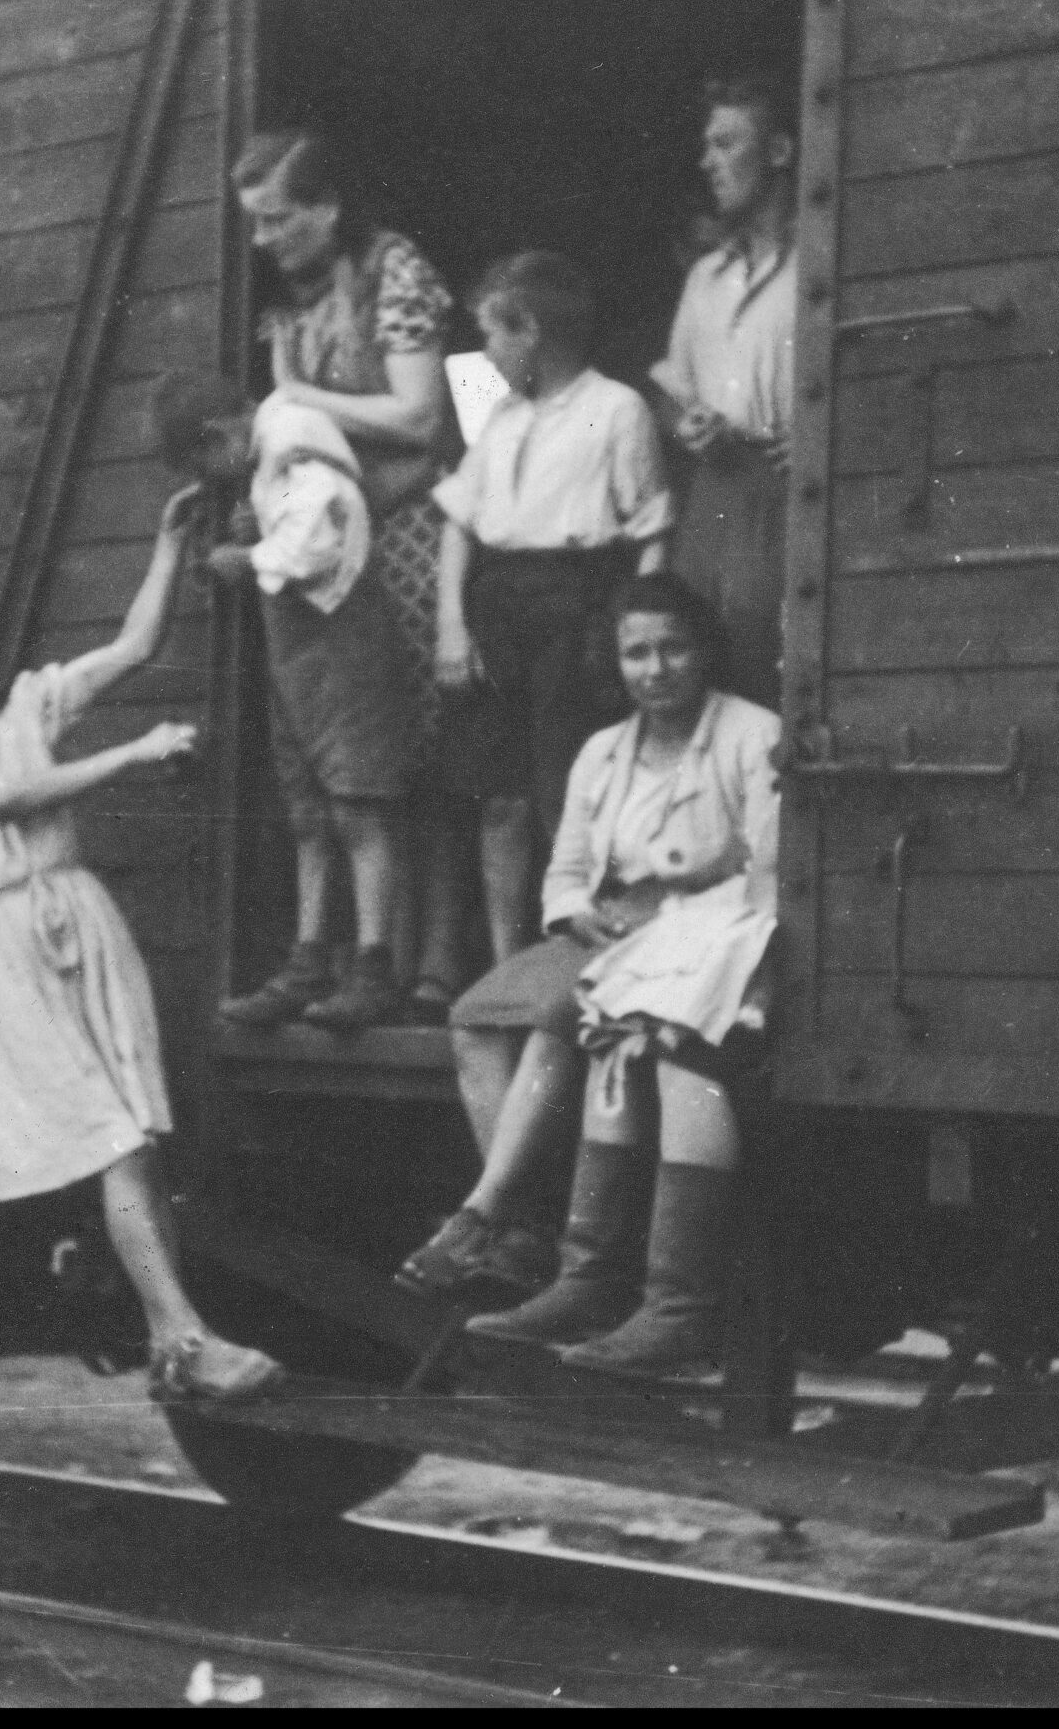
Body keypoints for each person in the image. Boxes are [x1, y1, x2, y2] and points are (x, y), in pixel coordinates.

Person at [0, 508, 282, 1403]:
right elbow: (9, 797)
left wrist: (165, 545)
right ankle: (181, 1335)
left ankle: (171, 1338)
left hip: (78, 920)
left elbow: (135, 644)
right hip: (7, 951)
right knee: (111, 1137)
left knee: (134, 1137)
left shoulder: (24, 706)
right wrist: (134, 752)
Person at [401, 579, 779, 1385]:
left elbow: (766, 871)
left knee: (621, 1035)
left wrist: (670, 914)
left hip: (717, 937)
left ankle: (656, 1296)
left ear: (704, 648)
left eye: (672, 647)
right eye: (636, 652)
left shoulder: (752, 736)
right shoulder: (605, 751)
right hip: (611, 936)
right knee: (497, 1015)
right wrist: (579, 917)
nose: (655, 668)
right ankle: (560, 1254)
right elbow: (565, 874)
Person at [233, 128, 471, 1023]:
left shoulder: (394, 269)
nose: (263, 240)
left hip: (414, 532)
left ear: (329, 206)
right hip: (336, 548)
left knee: (428, 749)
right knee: (350, 761)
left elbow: (419, 415)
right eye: (254, 224)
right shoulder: (286, 302)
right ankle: (368, 963)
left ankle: (436, 967)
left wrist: (294, 397)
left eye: (278, 219)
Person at [153, 370, 418, 1034]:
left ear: (221, 435)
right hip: (302, 650)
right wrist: (259, 522)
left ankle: (374, 967)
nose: (219, 478)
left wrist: (247, 557)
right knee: (310, 811)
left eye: (210, 465)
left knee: (357, 804)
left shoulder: (295, 437)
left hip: (341, 638)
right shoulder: (270, 452)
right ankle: (308, 964)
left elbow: (320, 538)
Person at [433, 252, 673, 965]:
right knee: (497, 793)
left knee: (562, 786)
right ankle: (509, 962)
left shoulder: (616, 409)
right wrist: (453, 625)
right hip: (497, 605)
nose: (485, 355)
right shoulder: (499, 418)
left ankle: (573, 955)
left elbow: (652, 530)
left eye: (492, 336)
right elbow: (459, 523)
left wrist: (627, 630)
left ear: (529, 331)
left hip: (578, 606)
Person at [653, 76, 797, 710]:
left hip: (782, 490)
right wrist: (685, 424)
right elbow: (670, 392)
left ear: (779, 151)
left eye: (726, 143)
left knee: (763, 671)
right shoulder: (704, 278)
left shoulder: (819, 269)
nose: (706, 160)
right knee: (698, 668)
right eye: (705, 144)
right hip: (713, 495)